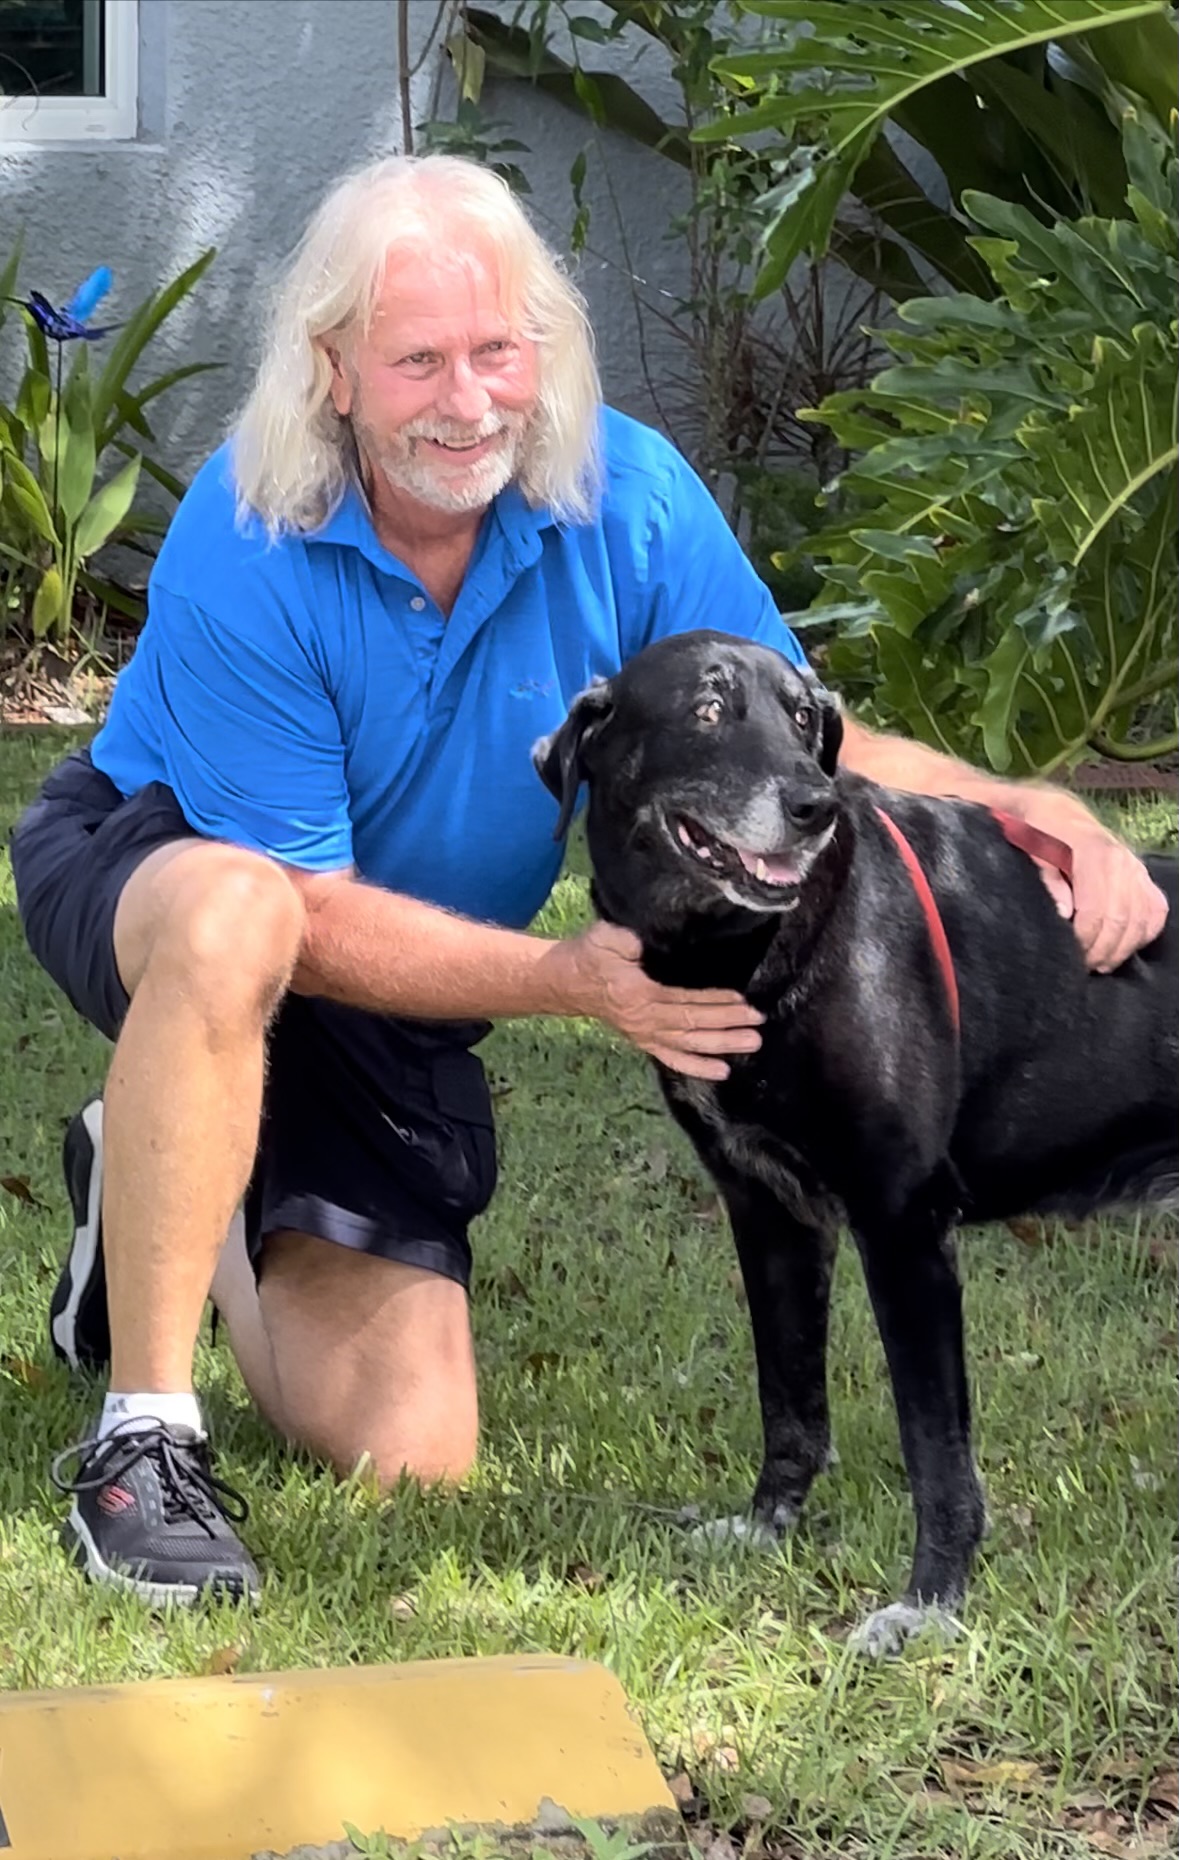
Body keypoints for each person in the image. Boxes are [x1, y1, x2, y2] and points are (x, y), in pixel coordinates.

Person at [10, 154, 1167, 1606]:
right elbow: (299, 911)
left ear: (541, 348)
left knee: (409, 1451)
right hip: (167, 878)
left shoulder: (623, 493)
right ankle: (144, 1442)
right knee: (234, 922)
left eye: (498, 351)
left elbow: (800, 732)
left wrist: (1021, 804)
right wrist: (570, 980)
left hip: (397, 970)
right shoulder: (254, 531)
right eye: (419, 359)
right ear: (335, 373)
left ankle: (155, 1171)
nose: (469, 400)